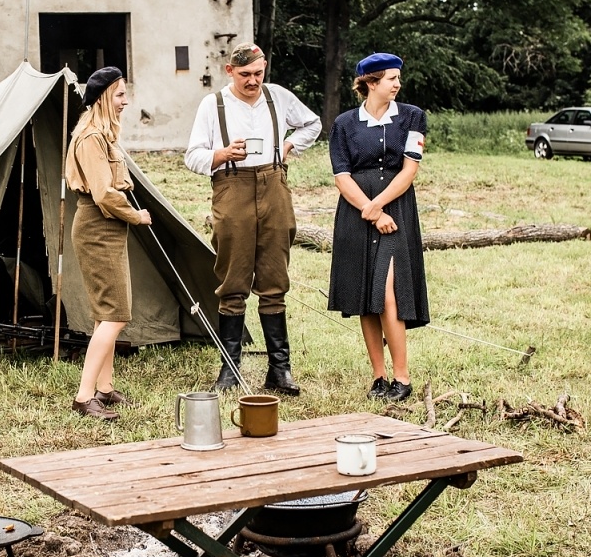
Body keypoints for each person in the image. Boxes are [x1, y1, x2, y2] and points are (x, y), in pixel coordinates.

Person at [184, 43, 321, 393]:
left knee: (275, 278)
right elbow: (192, 156)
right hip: (232, 187)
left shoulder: (277, 97)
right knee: (233, 281)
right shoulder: (213, 105)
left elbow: (312, 124)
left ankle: (280, 370)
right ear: (230, 71)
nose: (253, 81)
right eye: (245, 74)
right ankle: (230, 370)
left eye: (258, 73)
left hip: (274, 184)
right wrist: (221, 154)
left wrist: (288, 147)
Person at [327, 53, 429, 401]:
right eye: (391, 79)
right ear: (371, 83)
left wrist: (378, 206)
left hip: (395, 210)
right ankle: (379, 376)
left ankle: (402, 377)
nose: (398, 84)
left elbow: (409, 171)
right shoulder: (344, 124)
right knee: (363, 295)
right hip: (356, 214)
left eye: (398, 78)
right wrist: (368, 211)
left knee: (388, 294)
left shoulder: (413, 117)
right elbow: (341, 176)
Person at [66, 66, 152, 419]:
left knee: (107, 315)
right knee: (116, 315)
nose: (125, 101)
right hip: (98, 227)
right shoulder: (90, 138)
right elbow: (103, 194)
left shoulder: (103, 136)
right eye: (119, 95)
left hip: (107, 229)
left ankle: (104, 388)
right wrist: (137, 216)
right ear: (103, 97)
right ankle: (84, 397)